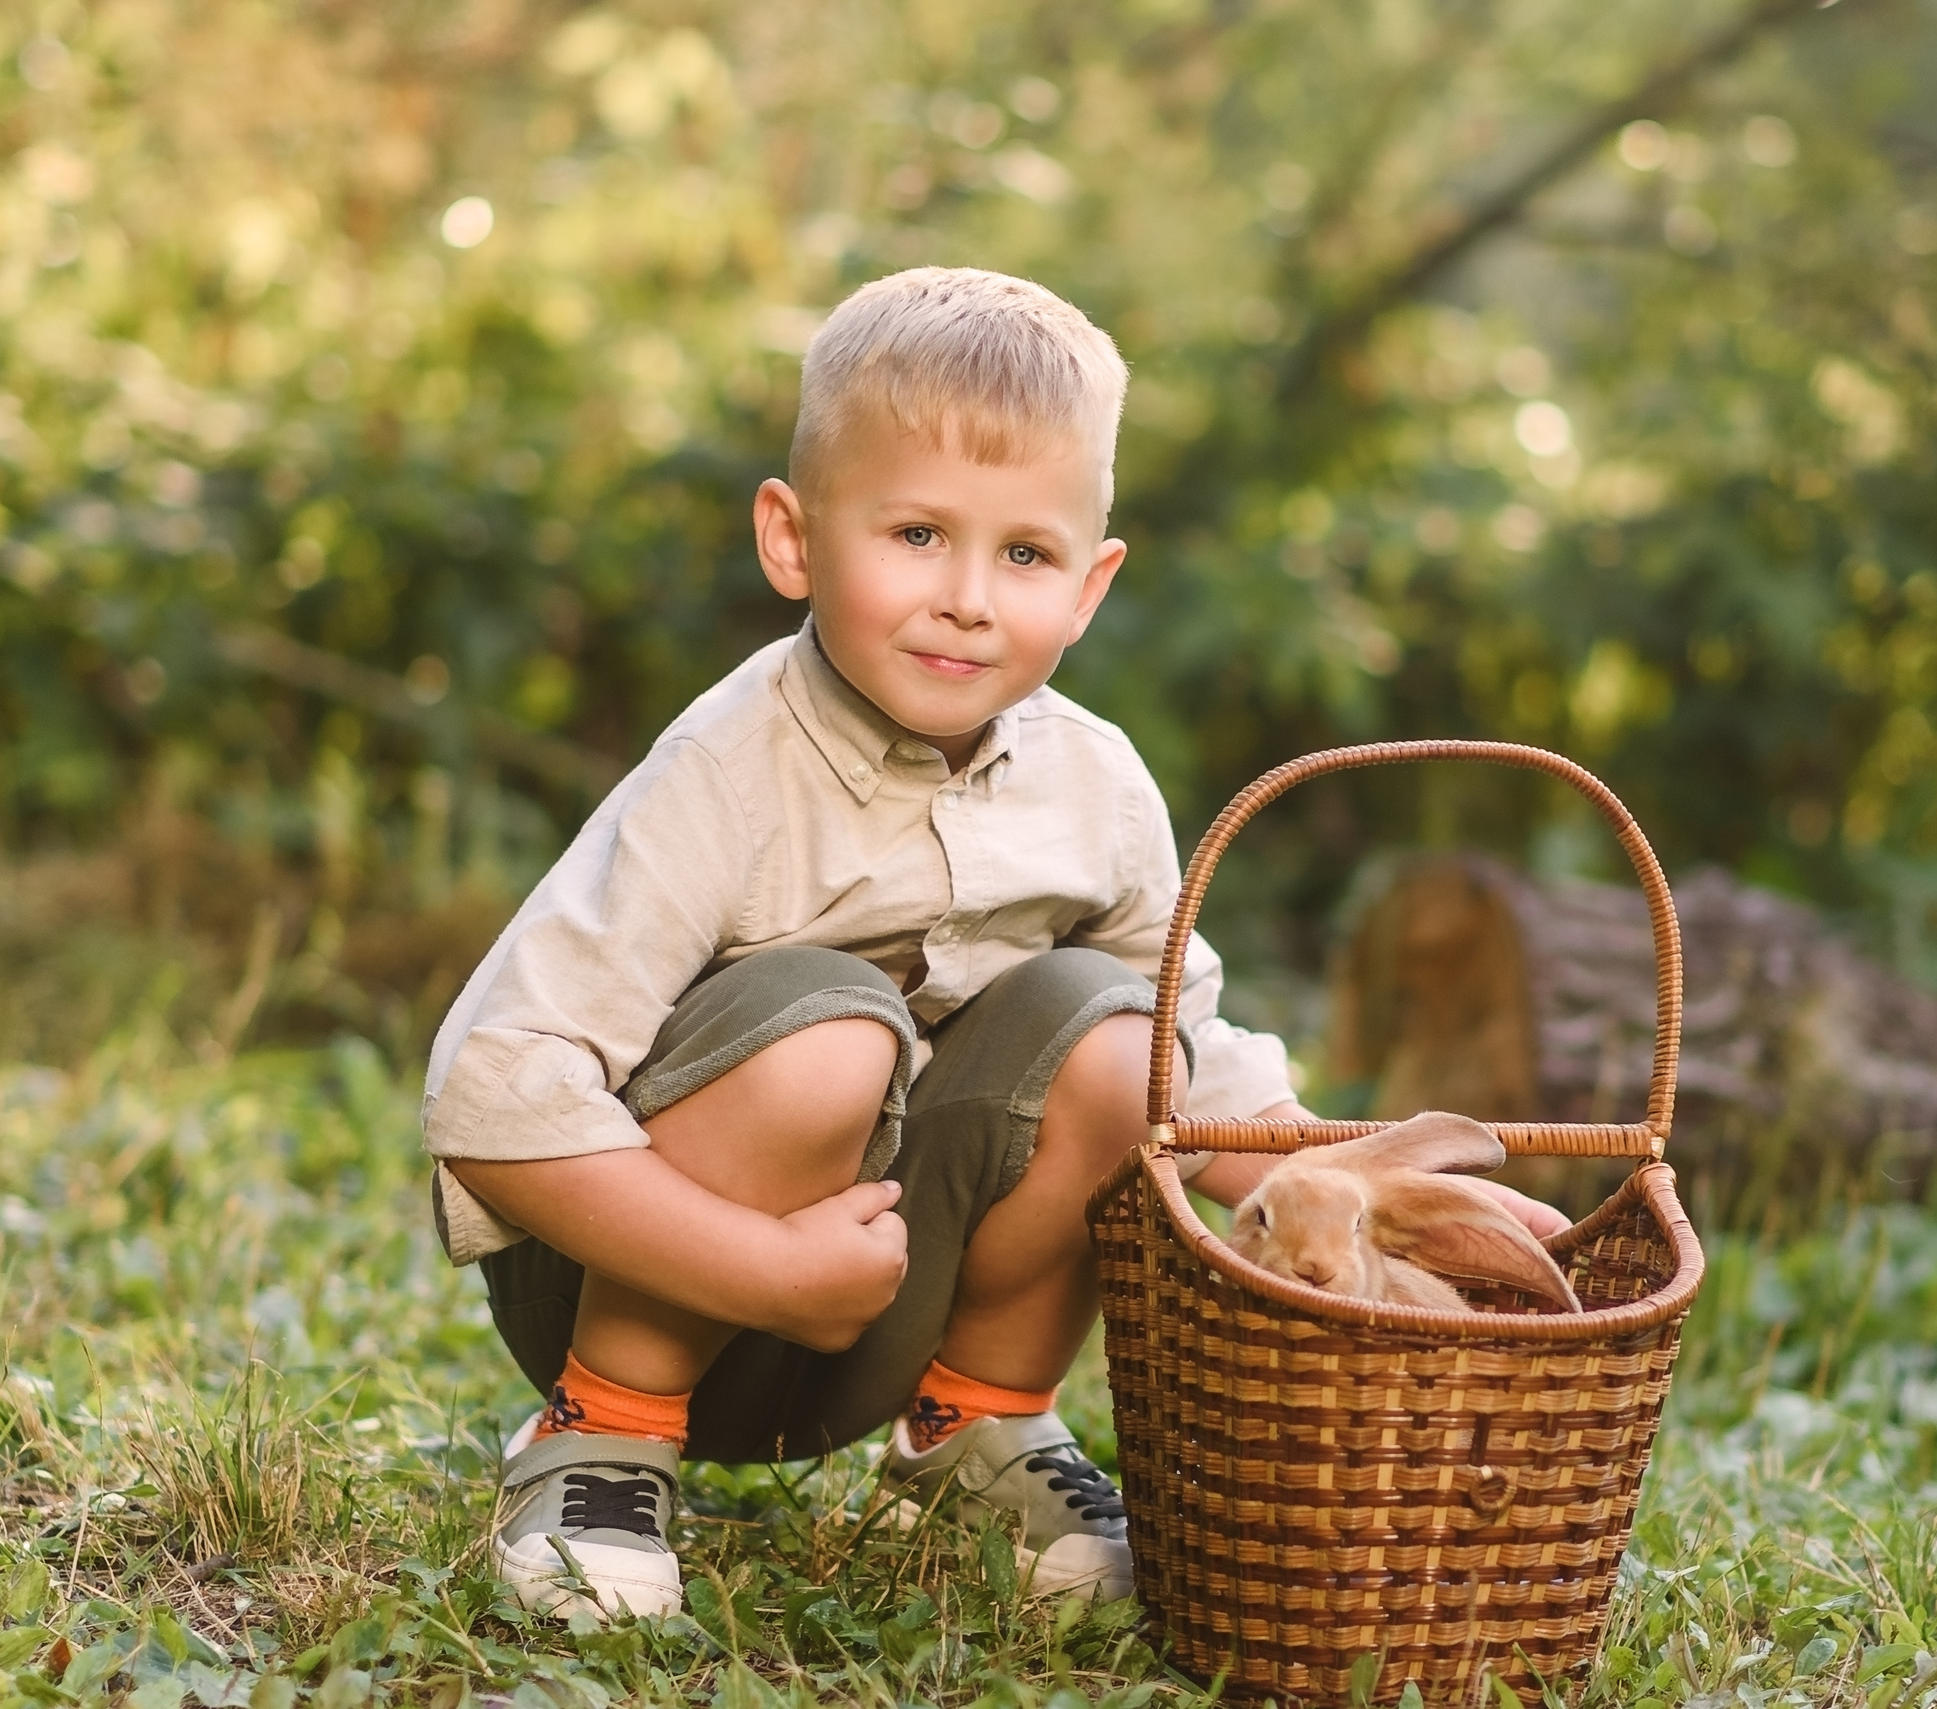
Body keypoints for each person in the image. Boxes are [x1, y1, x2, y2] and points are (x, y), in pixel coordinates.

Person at [422, 267, 1565, 1620]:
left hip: (884, 1296)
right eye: (915, 533)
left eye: (1024, 555)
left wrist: (1339, 1170)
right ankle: (597, 1439)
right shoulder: (722, 777)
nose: (969, 597)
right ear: (793, 539)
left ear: (1089, 586)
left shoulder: (1096, 786)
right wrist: (764, 1269)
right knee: (831, 1026)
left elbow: (1179, 1061)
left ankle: (976, 1422)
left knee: (1114, 1031)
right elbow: (491, 1092)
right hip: (643, 1275)